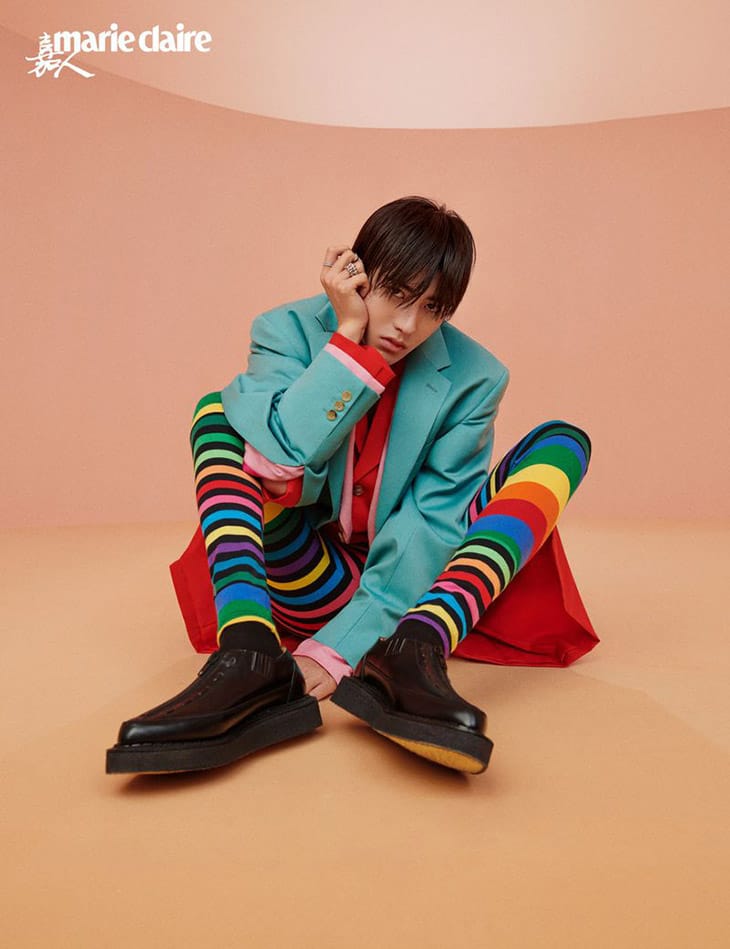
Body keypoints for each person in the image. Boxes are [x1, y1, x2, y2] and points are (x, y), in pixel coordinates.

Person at [106, 195, 594, 777]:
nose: (409, 325)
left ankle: (413, 655)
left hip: (430, 593)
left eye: (433, 308)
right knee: (218, 414)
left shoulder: (476, 377)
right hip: (309, 576)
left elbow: (432, 523)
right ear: (358, 275)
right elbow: (277, 461)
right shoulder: (285, 331)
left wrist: (339, 649)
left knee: (563, 443)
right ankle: (249, 656)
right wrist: (347, 338)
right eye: (398, 294)